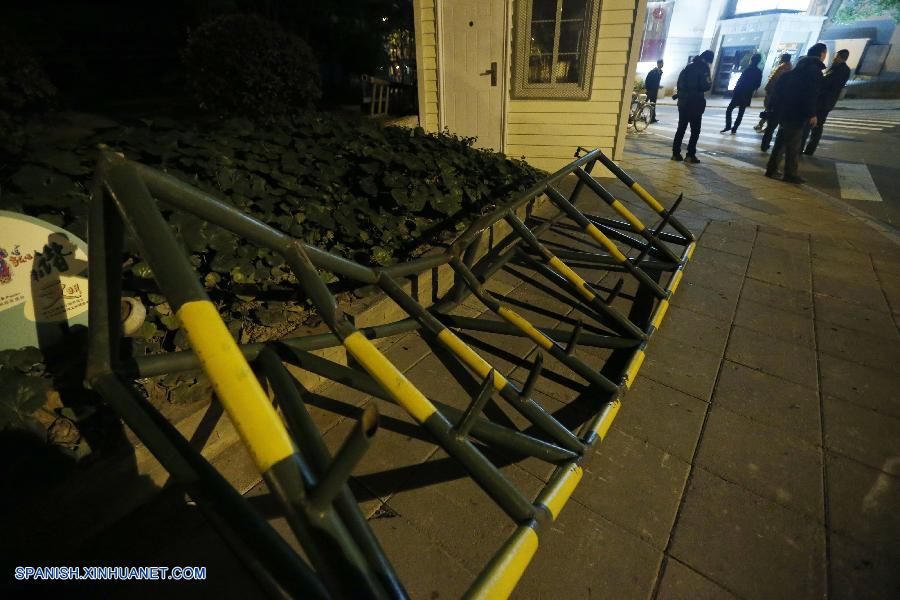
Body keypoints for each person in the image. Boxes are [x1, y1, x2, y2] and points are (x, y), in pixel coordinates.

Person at [765, 43, 827, 183]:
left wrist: (775, 108)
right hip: (797, 113)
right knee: (793, 144)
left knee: (781, 141)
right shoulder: (814, 72)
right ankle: (790, 173)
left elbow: (777, 91)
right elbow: (811, 94)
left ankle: (772, 168)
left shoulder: (793, 72)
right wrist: (812, 114)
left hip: (784, 111)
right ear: (822, 54)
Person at [802, 48, 851, 155]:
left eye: (836, 56)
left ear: (840, 57)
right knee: (816, 125)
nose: (834, 58)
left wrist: (820, 80)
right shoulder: (838, 68)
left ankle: (808, 149)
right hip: (826, 101)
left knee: (815, 125)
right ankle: (808, 149)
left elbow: (828, 83)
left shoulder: (841, 70)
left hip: (824, 102)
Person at [672, 50, 714, 163]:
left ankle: (675, 154)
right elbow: (706, 85)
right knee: (695, 131)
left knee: (681, 128)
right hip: (695, 103)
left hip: (683, 102)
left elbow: (679, 83)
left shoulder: (688, 67)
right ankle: (690, 155)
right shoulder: (704, 68)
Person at [722, 53, 763, 134]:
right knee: (741, 112)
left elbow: (740, 81)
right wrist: (751, 89)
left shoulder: (747, 69)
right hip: (747, 94)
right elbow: (757, 84)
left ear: (751, 60)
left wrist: (735, 90)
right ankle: (734, 128)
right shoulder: (758, 72)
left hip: (739, 92)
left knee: (729, 109)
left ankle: (728, 126)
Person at [755, 53, 792, 132]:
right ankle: (761, 124)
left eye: (781, 58)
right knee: (769, 108)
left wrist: (768, 89)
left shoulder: (783, 68)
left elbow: (775, 80)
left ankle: (766, 127)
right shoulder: (786, 67)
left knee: (769, 109)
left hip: (774, 92)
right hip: (775, 92)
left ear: (783, 58)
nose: (780, 59)